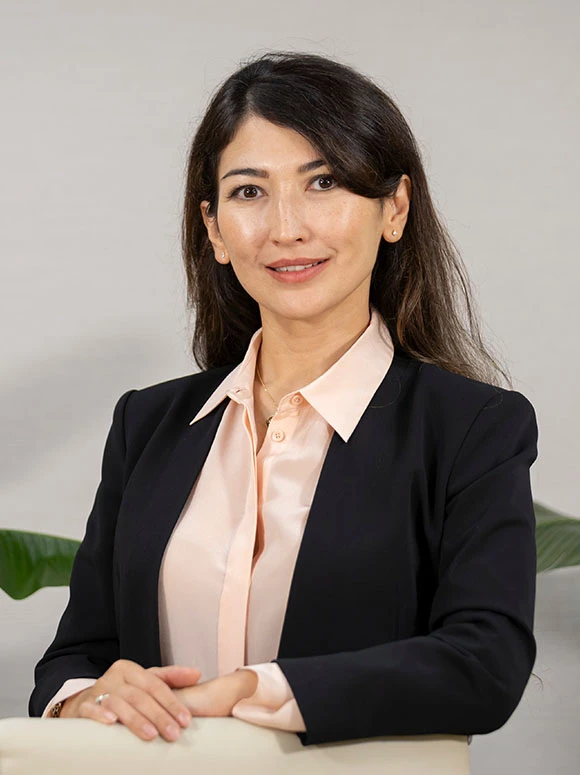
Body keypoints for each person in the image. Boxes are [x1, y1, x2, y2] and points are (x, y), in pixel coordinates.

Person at [28, 50, 539, 748]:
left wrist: (259, 688)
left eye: (323, 181)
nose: (286, 227)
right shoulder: (147, 425)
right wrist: (84, 697)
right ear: (212, 229)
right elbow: (75, 654)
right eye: (248, 192)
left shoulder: (471, 428)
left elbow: (485, 662)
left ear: (394, 208)